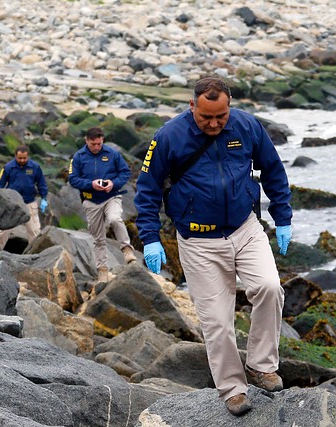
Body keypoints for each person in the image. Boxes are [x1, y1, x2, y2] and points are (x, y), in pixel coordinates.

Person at [134, 77, 292, 416]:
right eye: (207, 117)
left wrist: (283, 217)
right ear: (192, 106)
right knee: (217, 322)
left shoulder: (246, 126)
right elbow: (146, 190)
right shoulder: (168, 137)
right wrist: (149, 237)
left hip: (245, 228)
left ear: (229, 105)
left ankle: (262, 365)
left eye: (221, 116)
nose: (215, 124)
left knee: (269, 287)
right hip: (198, 241)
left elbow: (273, 169)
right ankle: (233, 389)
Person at [68, 127, 137, 284]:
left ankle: (126, 249)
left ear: (103, 140)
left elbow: (125, 172)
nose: (96, 147)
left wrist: (113, 183)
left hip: (111, 196)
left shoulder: (112, 154)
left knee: (114, 218)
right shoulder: (78, 157)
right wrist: (91, 184)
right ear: (87, 141)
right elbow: (73, 179)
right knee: (98, 238)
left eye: (99, 144)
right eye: (93, 144)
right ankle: (103, 271)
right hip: (90, 200)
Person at [0, 145, 48, 247]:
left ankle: (33, 255)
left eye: (24, 158)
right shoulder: (8, 167)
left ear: (28, 156)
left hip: (29, 202)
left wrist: (44, 198)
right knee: (2, 232)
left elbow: (41, 184)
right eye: (20, 158)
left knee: (35, 232)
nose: (22, 160)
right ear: (15, 156)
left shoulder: (35, 167)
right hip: (12, 204)